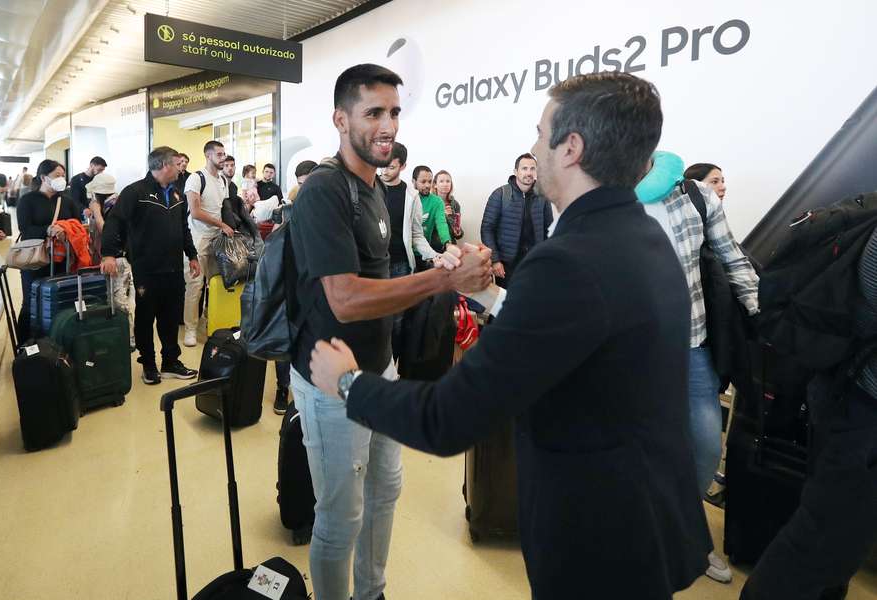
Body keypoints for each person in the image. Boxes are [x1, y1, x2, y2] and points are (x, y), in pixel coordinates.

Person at [308, 71, 714, 600]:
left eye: (540, 133)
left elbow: (449, 418)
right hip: (651, 520)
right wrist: (492, 298)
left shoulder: (568, 261)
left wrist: (347, 385)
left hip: (600, 540)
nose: (532, 148)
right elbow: (583, 335)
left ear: (571, 148)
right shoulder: (643, 237)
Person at [289, 63, 490, 600]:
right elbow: (345, 298)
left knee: (386, 491)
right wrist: (441, 280)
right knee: (340, 515)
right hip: (329, 380)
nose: (389, 125)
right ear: (340, 119)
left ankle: (371, 592)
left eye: (394, 112)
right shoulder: (324, 192)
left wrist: (450, 269)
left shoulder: (375, 188)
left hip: (378, 367)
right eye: (374, 112)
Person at [637, 150, 759, 584]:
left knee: (706, 445)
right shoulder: (611, 200)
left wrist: (759, 310)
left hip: (692, 345)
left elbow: (731, 256)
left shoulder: (696, 195)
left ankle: (684, 530)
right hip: (635, 355)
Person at [740, 231, 877, 600]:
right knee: (819, 536)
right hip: (857, 405)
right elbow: (864, 312)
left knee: (845, 537)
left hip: (852, 402)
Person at [101, 146, 200, 384]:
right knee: (146, 317)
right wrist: (108, 255)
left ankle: (170, 361)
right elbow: (114, 222)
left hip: (174, 268)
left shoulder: (177, 193)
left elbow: (183, 228)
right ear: (165, 165)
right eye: (177, 164)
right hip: (147, 269)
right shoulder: (135, 192)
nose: (180, 168)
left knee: (170, 317)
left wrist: (193, 255)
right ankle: (148, 364)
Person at [380, 142, 440, 358]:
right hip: (372, 267)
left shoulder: (411, 196)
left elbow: (416, 235)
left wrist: (434, 255)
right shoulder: (368, 188)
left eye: (390, 167)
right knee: (373, 323)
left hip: (399, 267)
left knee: (396, 323)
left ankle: (393, 370)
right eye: (382, 166)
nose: (384, 171)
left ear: (403, 166)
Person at [15, 160, 84, 341]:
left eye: (63, 175)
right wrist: (48, 229)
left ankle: (55, 344)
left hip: (62, 261)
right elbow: (25, 229)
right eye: (57, 176)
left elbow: (77, 227)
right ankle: (26, 347)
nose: (61, 179)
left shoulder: (67, 201)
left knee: (59, 301)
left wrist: (69, 231)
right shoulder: (27, 200)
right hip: (35, 260)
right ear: (44, 177)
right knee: (31, 302)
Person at [182, 140, 232, 348]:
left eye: (224, 154)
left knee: (216, 283)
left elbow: (224, 208)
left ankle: (210, 320)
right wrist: (221, 224)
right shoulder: (196, 178)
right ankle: (190, 329)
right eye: (219, 154)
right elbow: (195, 211)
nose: (223, 158)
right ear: (208, 155)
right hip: (198, 238)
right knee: (195, 285)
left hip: (217, 239)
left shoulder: (223, 180)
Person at [480, 153, 554, 288]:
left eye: (532, 169)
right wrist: (495, 260)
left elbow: (549, 230)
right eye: (524, 168)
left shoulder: (543, 195)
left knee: (533, 303)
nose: (529, 173)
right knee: (507, 305)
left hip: (534, 263)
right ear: (516, 172)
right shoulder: (500, 194)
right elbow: (487, 229)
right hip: (507, 265)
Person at [87, 172, 135, 348]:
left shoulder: (110, 206)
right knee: (119, 298)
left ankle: (128, 337)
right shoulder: (116, 201)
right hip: (119, 257)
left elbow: (108, 230)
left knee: (119, 299)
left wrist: (96, 212)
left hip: (117, 259)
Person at [411, 165, 452, 253]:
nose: (427, 185)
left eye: (430, 181)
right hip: (406, 252)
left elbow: (441, 224)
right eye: (423, 182)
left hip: (425, 252)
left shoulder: (437, 201)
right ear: (414, 182)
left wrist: (447, 243)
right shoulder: (408, 199)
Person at [433, 170, 463, 243]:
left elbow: (457, 231)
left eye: (448, 181)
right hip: (433, 247)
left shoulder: (455, 204)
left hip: (450, 245)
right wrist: (443, 215)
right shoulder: (431, 202)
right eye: (441, 181)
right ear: (435, 185)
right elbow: (426, 227)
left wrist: (458, 232)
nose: (445, 184)